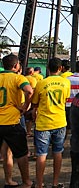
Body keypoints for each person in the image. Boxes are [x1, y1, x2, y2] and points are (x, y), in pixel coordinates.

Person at [31, 57, 71, 188]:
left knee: (41, 155)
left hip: (43, 123)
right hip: (60, 121)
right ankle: (55, 182)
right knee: (58, 152)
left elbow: (35, 103)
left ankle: (39, 184)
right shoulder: (66, 83)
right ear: (60, 69)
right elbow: (65, 99)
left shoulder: (42, 83)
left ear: (48, 68)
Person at [0, 54, 34, 188]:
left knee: (6, 152)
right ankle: (26, 181)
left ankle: (9, 180)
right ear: (16, 66)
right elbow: (29, 91)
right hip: (12, 122)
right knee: (21, 154)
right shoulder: (18, 78)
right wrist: (25, 107)